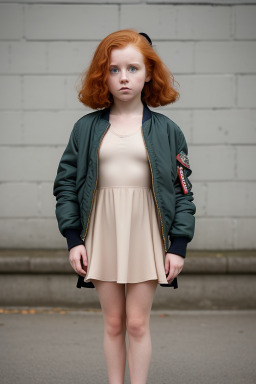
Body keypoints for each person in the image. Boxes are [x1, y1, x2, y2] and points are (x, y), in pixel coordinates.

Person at [53, 29, 196, 384]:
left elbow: (183, 193)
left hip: (146, 230)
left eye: (133, 68)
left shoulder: (168, 131)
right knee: (114, 322)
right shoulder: (85, 129)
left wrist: (178, 247)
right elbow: (66, 186)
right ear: (104, 75)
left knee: (136, 322)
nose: (124, 78)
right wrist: (74, 238)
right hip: (103, 229)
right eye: (114, 69)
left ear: (149, 72)